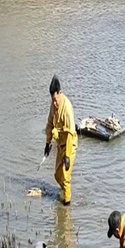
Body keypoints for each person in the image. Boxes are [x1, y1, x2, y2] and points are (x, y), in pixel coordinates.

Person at [44, 76, 77, 206]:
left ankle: (66, 206)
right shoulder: (53, 106)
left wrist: (68, 156)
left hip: (70, 144)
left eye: (56, 100)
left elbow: (69, 133)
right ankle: (64, 191)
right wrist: (47, 143)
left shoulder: (67, 107)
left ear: (60, 93)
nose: (55, 103)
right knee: (57, 175)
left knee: (65, 176)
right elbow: (49, 125)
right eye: (53, 100)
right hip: (60, 144)